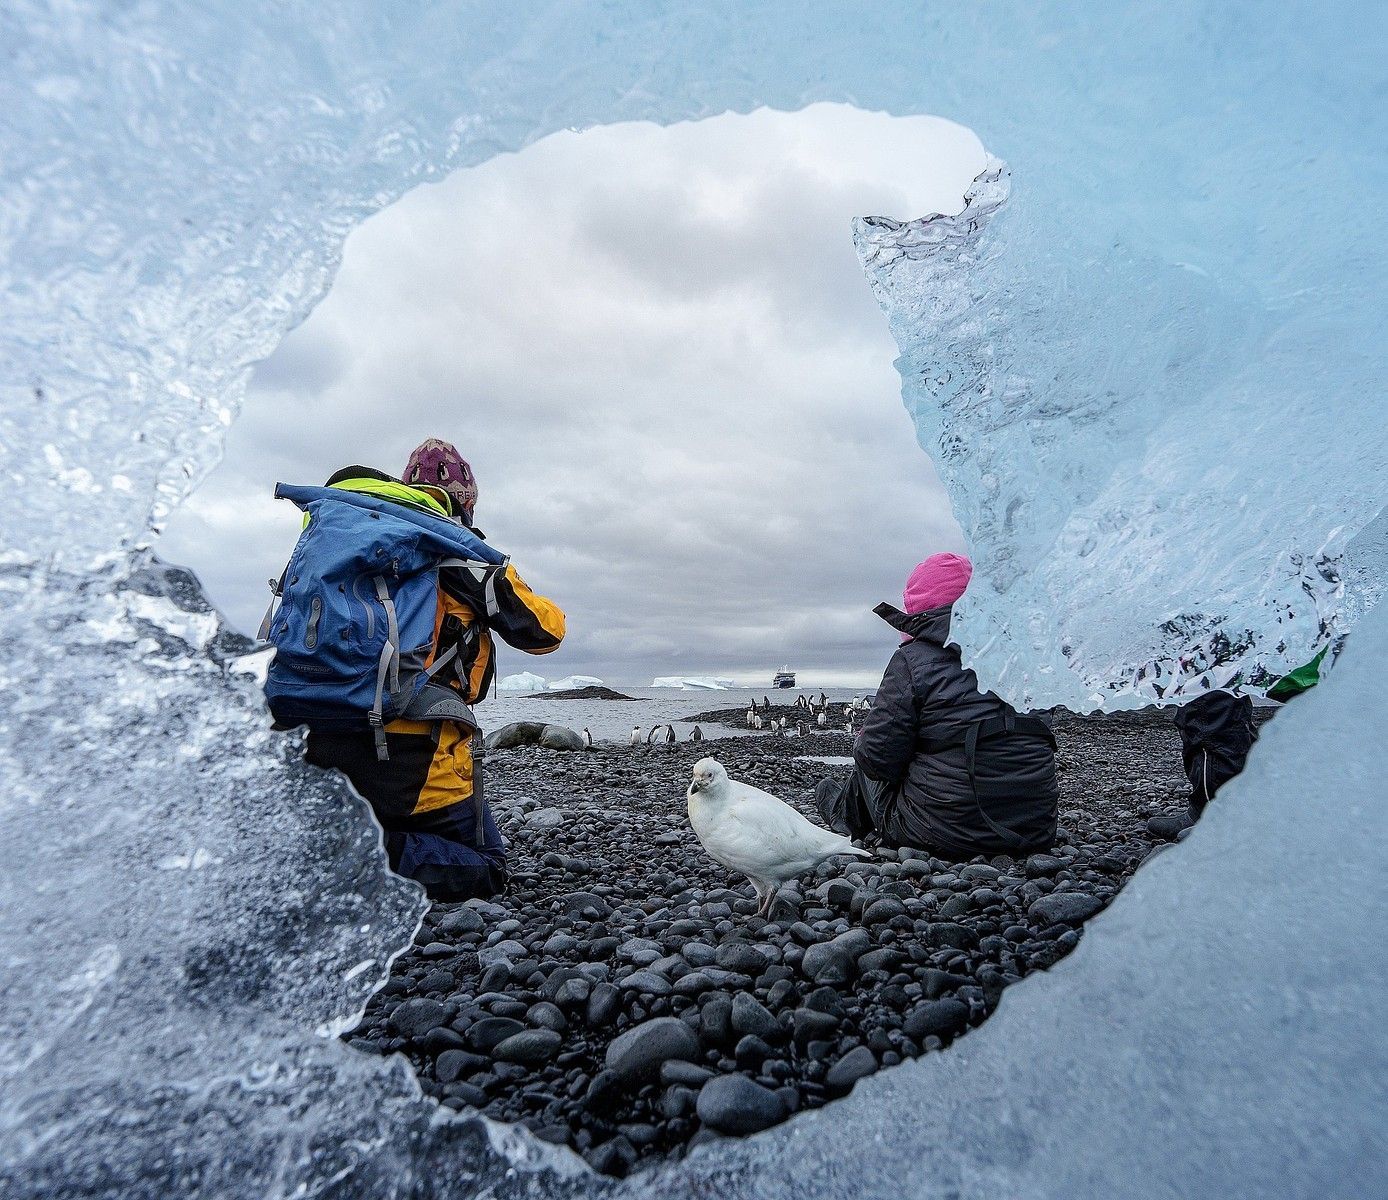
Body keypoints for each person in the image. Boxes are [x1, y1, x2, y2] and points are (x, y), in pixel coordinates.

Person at [301, 441, 565, 900]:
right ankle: (348, 855)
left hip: (314, 737)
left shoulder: (330, 544)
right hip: (413, 751)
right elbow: (545, 632)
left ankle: (306, 847)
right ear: (463, 500)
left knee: (362, 811)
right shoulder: (457, 549)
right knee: (487, 868)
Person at [815, 553, 1058, 859]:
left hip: (945, 834)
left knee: (869, 750)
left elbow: (876, 759)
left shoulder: (913, 660)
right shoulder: (1028, 657)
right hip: (1035, 829)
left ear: (918, 606)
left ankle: (844, 820)